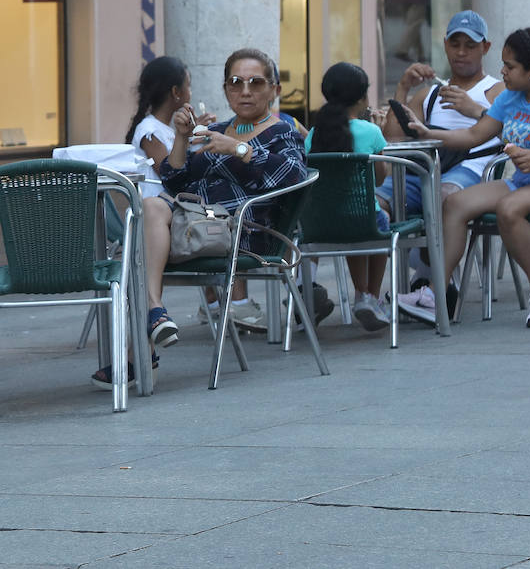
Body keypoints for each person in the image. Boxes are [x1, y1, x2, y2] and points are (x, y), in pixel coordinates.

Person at [399, 27, 530, 327]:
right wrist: (429, 134)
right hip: (525, 181)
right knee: (454, 204)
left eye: (510, 66)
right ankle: (435, 294)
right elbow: (474, 134)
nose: (502, 71)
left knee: (510, 208)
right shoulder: (511, 97)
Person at [136, 48, 306, 379]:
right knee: (151, 207)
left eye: (256, 82)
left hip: (247, 234)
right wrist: (183, 139)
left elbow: (294, 176)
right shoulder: (222, 128)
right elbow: (174, 180)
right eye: (235, 82)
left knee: (137, 252)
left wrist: (240, 149)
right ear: (226, 89)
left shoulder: (282, 130)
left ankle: (136, 358)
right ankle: (154, 312)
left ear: (275, 89)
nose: (245, 90)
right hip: (202, 227)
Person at [378, 10, 503, 239]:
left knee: (444, 197)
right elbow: (393, 141)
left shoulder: (497, 91)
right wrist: (404, 87)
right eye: (455, 44)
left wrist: (475, 110)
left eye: (470, 45)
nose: (461, 52)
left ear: (485, 48)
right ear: (445, 45)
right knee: (373, 201)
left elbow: (514, 130)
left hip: (471, 169)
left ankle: (426, 268)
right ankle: (403, 259)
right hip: (424, 170)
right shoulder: (429, 94)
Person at [304, 63, 390, 332]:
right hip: (363, 221)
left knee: (355, 224)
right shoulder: (371, 132)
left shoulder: (313, 134)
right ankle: (368, 296)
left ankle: (363, 291)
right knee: (379, 220)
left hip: (322, 225)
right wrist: (379, 133)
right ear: (363, 97)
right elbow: (379, 179)